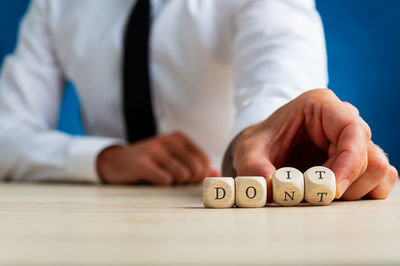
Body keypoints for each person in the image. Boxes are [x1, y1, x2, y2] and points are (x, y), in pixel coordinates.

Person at [0, 0, 397, 202]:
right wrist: (104, 158)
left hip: (236, 217)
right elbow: (6, 133)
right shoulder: (56, 6)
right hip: (102, 217)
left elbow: (279, 78)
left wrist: (256, 139)